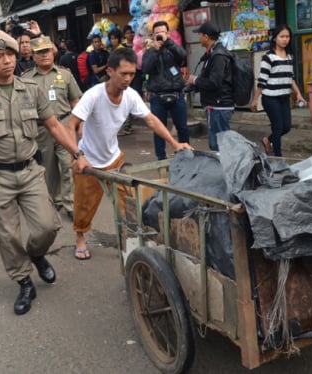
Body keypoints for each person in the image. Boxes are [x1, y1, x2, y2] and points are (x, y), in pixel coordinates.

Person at [0, 29, 90, 315]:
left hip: (29, 171)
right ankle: (24, 281)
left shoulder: (31, 90)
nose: (7, 61)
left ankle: (37, 254)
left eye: (11, 55)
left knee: (48, 226)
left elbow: (54, 126)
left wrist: (78, 153)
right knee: (8, 236)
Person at [68, 48, 193, 260]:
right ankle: (80, 237)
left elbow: (151, 119)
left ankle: (129, 238)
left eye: (132, 74)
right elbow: (70, 125)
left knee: (129, 203)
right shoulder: (94, 95)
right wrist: (77, 155)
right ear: (109, 71)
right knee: (84, 205)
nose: (128, 79)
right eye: (123, 73)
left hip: (114, 158)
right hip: (89, 161)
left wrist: (175, 143)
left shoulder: (131, 96)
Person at [23, 36, 83, 220]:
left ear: (53, 52)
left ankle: (70, 203)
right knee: (48, 169)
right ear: (33, 56)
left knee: (68, 166)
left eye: (47, 51)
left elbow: (76, 102)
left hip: (64, 125)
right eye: (40, 53)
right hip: (41, 130)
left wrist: (81, 125)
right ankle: (53, 200)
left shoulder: (65, 74)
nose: (44, 56)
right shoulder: (26, 79)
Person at [250, 24, 306, 157]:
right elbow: (262, 81)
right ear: (275, 38)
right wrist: (255, 99)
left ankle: (267, 140)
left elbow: (291, 78)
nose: (285, 39)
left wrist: (299, 94)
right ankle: (278, 158)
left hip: (284, 98)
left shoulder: (289, 56)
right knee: (278, 128)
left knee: (286, 127)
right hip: (270, 98)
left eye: (287, 37)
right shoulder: (268, 57)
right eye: (282, 36)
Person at [142, 21, 190, 160]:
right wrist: (155, 50)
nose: (160, 36)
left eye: (162, 32)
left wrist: (168, 42)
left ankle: (185, 156)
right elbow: (145, 69)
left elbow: (182, 56)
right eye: (157, 33)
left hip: (176, 93)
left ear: (167, 33)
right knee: (158, 131)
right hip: (157, 96)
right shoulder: (150, 51)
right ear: (153, 35)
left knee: (182, 128)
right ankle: (161, 159)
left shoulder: (173, 48)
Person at [186, 21, 234, 151]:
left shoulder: (218, 55)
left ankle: (225, 170)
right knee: (217, 143)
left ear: (206, 37)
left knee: (219, 145)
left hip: (219, 106)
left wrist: (195, 80)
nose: (199, 37)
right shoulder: (212, 53)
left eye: (200, 35)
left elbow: (214, 82)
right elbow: (207, 78)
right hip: (215, 105)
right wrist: (192, 86)